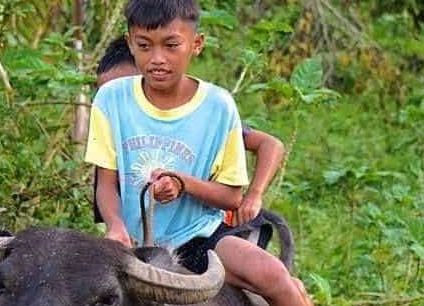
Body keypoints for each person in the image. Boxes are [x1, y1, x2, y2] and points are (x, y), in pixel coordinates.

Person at [85, 0, 397, 306]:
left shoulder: (217, 107)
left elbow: (231, 192)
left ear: (196, 44)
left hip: (198, 239)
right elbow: (104, 182)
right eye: (145, 46)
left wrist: (187, 184)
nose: (158, 59)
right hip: (131, 244)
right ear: (130, 43)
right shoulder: (111, 101)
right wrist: (115, 226)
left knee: (273, 274)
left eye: (171, 45)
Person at [92, 37, 285, 228]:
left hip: (211, 232)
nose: (118, 102)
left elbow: (270, 145)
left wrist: (253, 195)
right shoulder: (111, 133)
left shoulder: (203, 121)